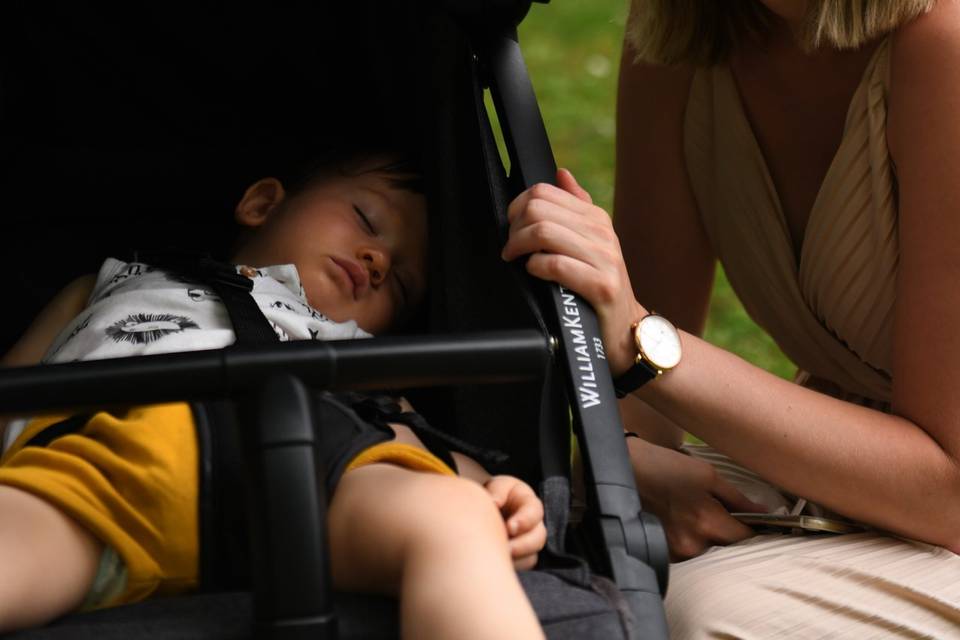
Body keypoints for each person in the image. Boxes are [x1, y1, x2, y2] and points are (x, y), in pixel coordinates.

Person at [502, 0, 960, 636]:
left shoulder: (946, 42)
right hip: (847, 471)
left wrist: (641, 338)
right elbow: (644, 406)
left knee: (704, 612)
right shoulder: (686, 32)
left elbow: (948, 491)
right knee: (534, 548)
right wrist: (628, 455)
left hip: (937, 499)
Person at [0, 150, 548, 640]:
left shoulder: (362, 357)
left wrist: (487, 491)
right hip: (118, 454)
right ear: (262, 204)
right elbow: (14, 391)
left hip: (320, 462)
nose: (379, 261)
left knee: (452, 517)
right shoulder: (112, 282)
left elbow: (410, 436)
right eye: (366, 220)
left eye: (400, 285)